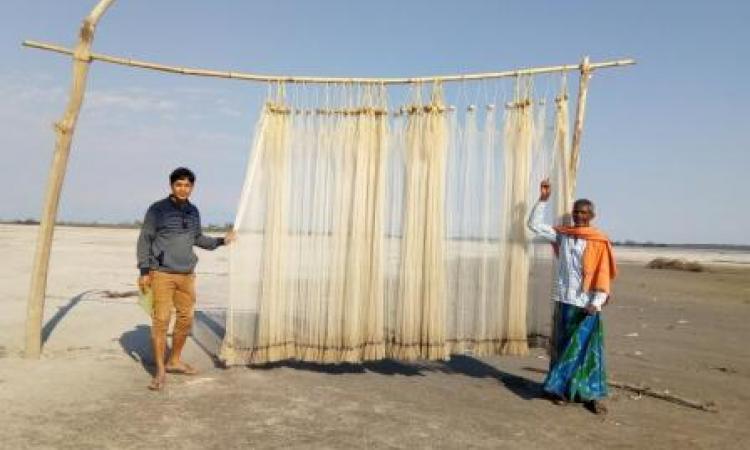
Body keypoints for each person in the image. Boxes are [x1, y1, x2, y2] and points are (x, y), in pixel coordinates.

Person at [136, 167, 235, 391]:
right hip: (161, 273)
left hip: (187, 275)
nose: (183, 189)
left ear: (192, 187)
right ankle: (160, 370)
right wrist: (144, 271)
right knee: (161, 320)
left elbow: (197, 238)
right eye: (179, 184)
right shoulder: (157, 210)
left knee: (185, 319)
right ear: (171, 185)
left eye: (187, 185)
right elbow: (145, 240)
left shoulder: (193, 212)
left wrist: (221, 241)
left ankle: (175, 360)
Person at [527, 179, 617, 414]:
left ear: (592, 215)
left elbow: (602, 274)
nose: (579, 215)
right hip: (564, 300)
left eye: (584, 212)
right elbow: (534, 225)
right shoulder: (563, 235)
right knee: (563, 346)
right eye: (576, 211)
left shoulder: (599, 240)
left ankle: (589, 394)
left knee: (585, 350)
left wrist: (596, 303)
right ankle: (560, 390)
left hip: (586, 304)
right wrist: (543, 200)